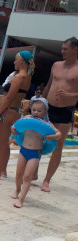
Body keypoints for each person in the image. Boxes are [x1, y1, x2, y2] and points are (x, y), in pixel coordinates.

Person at [0, 50, 33, 180]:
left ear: (21, 61)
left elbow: (9, 97)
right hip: (15, 111)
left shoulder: (19, 77)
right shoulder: (28, 77)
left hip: (7, 111)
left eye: (16, 59)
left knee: (2, 144)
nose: (14, 62)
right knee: (5, 143)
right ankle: (3, 169)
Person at [41, 37, 78, 192]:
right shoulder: (56, 65)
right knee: (38, 139)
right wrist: (40, 103)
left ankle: (47, 181)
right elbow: (49, 85)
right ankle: (33, 172)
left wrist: (69, 95)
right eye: (62, 48)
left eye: (65, 49)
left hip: (65, 110)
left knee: (58, 146)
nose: (62, 51)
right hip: (49, 108)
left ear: (75, 49)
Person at [11, 98, 61, 208]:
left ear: (45, 111)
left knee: (27, 177)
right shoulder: (27, 119)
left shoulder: (47, 124)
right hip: (23, 150)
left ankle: (21, 200)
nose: (36, 113)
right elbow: (15, 127)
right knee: (19, 174)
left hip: (35, 153)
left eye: (39, 111)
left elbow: (59, 134)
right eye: (34, 110)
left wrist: (52, 136)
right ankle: (17, 190)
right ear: (31, 109)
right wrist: (13, 131)